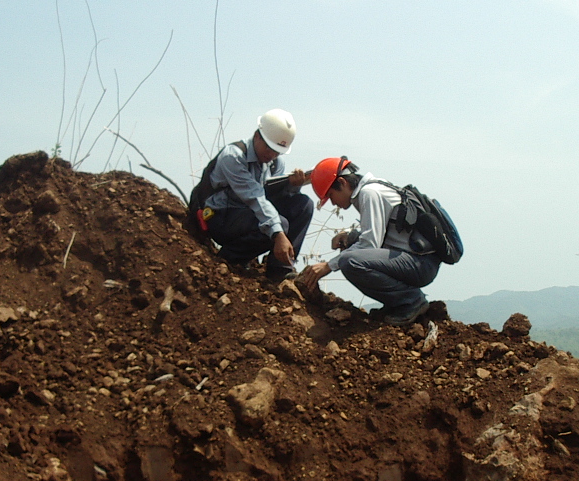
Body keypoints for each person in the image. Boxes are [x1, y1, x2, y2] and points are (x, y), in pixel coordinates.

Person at [298, 157, 441, 326]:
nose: (333, 203)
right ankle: (396, 303)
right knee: (350, 248)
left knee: (348, 261)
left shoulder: (369, 193)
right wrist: (350, 236)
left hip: (420, 264)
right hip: (416, 261)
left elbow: (370, 244)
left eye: (331, 195)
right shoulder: (374, 187)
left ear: (342, 183)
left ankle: (411, 301)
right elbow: (381, 235)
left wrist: (329, 265)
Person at [188, 109, 313, 282]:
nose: (271, 155)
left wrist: (292, 187)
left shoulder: (274, 163)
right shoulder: (234, 156)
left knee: (303, 205)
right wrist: (278, 234)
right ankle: (229, 257)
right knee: (278, 224)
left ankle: (279, 270)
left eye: (277, 152)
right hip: (221, 216)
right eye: (269, 149)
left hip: (247, 215)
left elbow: (271, 197)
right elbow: (255, 197)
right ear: (257, 136)